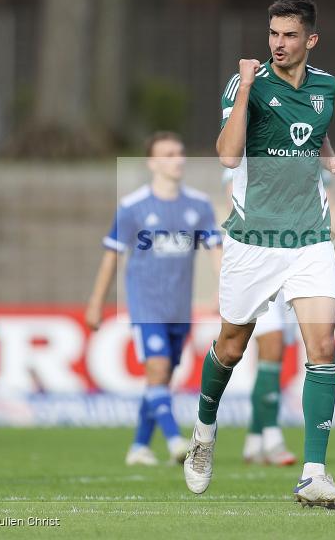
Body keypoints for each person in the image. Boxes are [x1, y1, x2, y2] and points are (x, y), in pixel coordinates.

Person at [183, 0, 335, 509]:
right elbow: (227, 154)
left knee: (321, 347)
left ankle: (314, 474)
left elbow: (311, 133)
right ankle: (204, 433)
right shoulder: (248, 83)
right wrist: (245, 91)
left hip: (309, 238)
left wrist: (332, 161)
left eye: (288, 35)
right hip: (253, 241)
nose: (277, 44)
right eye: (273, 34)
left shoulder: (327, 86)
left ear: (310, 40)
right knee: (232, 346)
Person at [86, 131, 222, 466]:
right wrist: (96, 302)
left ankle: (139, 447)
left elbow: (216, 251)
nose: (177, 159)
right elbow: (111, 257)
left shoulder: (199, 205)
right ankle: (176, 441)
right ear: (152, 162)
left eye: (180, 152)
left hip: (179, 305)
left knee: (160, 377)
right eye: (168, 154)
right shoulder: (132, 208)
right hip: (146, 303)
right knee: (158, 368)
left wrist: (225, 292)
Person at [229, 170, 335, 467]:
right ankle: (270, 436)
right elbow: (236, 197)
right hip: (258, 256)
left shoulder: (308, 146)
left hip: (300, 258)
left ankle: (257, 438)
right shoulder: (251, 139)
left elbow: (328, 204)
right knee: (266, 345)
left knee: (278, 353)